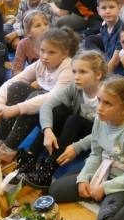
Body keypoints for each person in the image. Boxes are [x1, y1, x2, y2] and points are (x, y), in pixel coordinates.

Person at [49, 76, 124, 220]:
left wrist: (105, 188)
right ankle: (104, 197)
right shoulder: (100, 120)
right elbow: (96, 154)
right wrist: (83, 178)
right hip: (105, 171)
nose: (99, 108)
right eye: (99, 100)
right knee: (54, 191)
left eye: (107, 103)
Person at [25, 51, 108, 188]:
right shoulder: (74, 87)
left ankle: (49, 169)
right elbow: (47, 105)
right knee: (58, 111)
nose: (76, 77)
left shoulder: (107, 94)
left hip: (97, 137)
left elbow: (107, 132)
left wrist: (77, 147)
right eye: (74, 72)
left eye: (83, 72)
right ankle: (30, 158)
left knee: (75, 119)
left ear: (98, 74)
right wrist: (47, 130)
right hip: (76, 131)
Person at [0, 28, 78, 150]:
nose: (45, 56)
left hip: (62, 114)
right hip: (43, 107)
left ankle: (9, 148)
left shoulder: (69, 68)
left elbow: (52, 98)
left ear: (64, 54)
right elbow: (14, 81)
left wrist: (17, 109)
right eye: (42, 51)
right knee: (17, 87)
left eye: (52, 52)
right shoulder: (40, 63)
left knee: (35, 98)